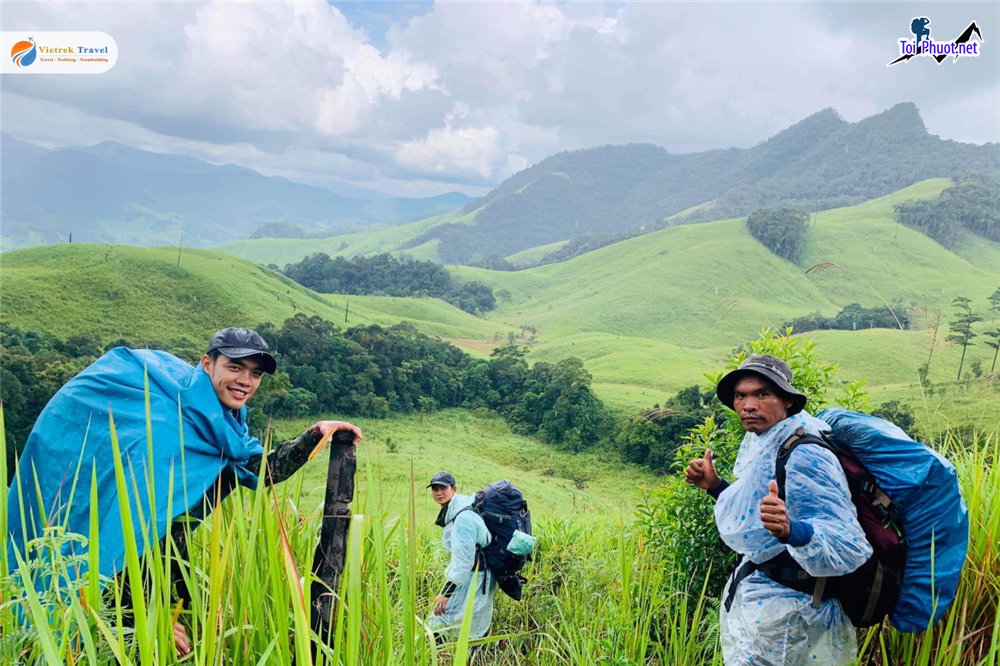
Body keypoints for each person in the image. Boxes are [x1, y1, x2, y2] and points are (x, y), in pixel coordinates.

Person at [6, 327, 363, 657]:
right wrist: (146, 613)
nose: (246, 381)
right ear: (208, 363)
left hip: (166, 564)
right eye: (236, 367)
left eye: (255, 373)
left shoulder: (220, 424)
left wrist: (317, 432)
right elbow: (129, 532)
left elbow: (259, 469)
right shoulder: (166, 428)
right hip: (121, 574)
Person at [685, 355, 872, 666]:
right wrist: (715, 486)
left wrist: (791, 530)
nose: (748, 405)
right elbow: (753, 517)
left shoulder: (805, 453)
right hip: (765, 609)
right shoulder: (765, 440)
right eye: (740, 395)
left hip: (797, 621)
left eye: (762, 394)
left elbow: (850, 545)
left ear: (787, 401)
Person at [425, 471, 497, 643]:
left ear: (454, 489)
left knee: (438, 620)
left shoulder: (463, 518)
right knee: (473, 621)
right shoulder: (458, 510)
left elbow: (464, 561)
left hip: (475, 576)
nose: (438, 493)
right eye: (435, 488)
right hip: (475, 575)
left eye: (443, 488)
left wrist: (446, 592)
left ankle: (437, 657)